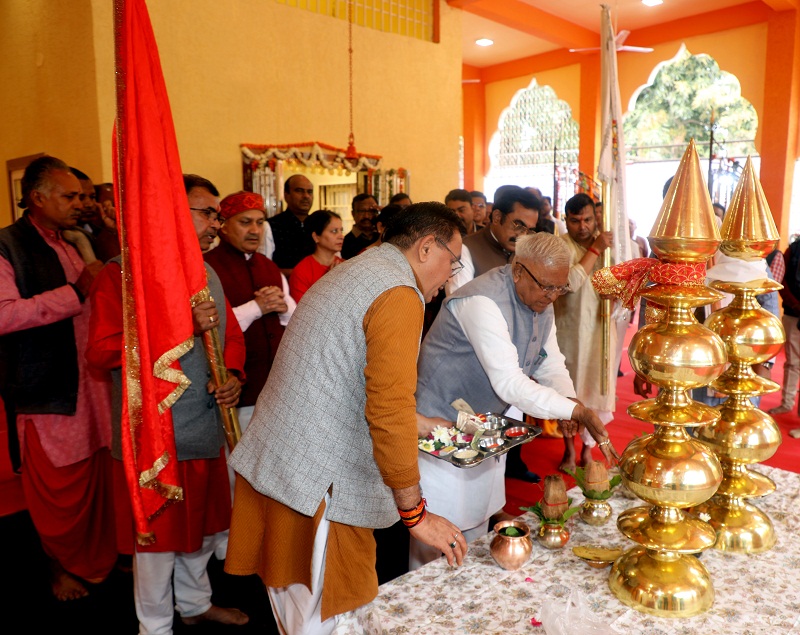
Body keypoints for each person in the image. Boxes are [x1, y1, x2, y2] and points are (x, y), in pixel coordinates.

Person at [225, 202, 468, 634]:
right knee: (324, 621)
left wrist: (425, 424)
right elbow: (387, 409)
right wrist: (417, 516)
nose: (451, 274)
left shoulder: (362, 267)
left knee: (297, 614)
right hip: (317, 483)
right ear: (427, 248)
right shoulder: (400, 293)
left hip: (281, 463)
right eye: (454, 260)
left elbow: (345, 377)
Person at [86, 174, 250, 633]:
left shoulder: (208, 271)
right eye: (207, 212)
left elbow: (229, 337)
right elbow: (100, 350)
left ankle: (195, 603)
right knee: (157, 542)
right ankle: (154, 626)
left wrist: (233, 377)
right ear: (172, 214)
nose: (216, 223)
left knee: (204, 530)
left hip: (203, 427)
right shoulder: (119, 274)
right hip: (154, 437)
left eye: (218, 213)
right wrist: (178, 325)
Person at [411, 232, 618, 569]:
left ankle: (465, 610)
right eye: (546, 287)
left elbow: (549, 362)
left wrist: (568, 396)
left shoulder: (539, 299)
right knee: (438, 541)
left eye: (560, 288)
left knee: (478, 528)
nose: (552, 297)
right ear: (519, 271)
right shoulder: (483, 301)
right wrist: (574, 409)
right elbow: (509, 382)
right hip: (438, 425)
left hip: (483, 428)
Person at [0, 155, 116, 601]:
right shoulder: (6, 245)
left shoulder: (73, 240)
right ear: (37, 198)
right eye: (70, 196)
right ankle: (57, 569)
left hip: (91, 383)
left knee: (97, 478)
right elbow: (4, 314)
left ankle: (101, 555)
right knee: (57, 489)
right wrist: (75, 291)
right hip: (46, 387)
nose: (79, 204)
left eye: (82, 195)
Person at [204, 190, 294, 439]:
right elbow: (212, 326)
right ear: (223, 226)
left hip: (274, 389)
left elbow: (292, 321)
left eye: (260, 222)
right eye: (245, 222)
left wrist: (283, 308)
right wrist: (257, 308)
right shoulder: (208, 268)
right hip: (235, 390)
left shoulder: (268, 266)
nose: (255, 230)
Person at [553, 193, 615, 472]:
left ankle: (588, 450)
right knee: (570, 392)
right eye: (575, 221)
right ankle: (568, 449)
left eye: (588, 219)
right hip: (570, 331)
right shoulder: (560, 246)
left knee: (596, 389)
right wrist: (594, 250)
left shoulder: (610, 245)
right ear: (566, 220)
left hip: (601, 330)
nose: (583, 226)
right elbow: (570, 283)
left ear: (595, 218)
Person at [447, 185, 541, 294]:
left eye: (529, 230)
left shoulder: (528, 252)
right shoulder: (465, 249)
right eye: (519, 226)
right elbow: (457, 302)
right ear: (497, 217)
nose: (522, 236)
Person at [770, 237, 800, 417]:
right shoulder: (793, 249)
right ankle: (787, 403)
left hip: (793, 310)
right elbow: (781, 281)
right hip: (792, 313)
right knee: (792, 363)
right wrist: (795, 305)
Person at [289, 209, 345, 302]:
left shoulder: (345, 265)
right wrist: (330, 282)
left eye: (341, 230)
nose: (341, 236)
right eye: (334, 231)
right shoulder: (302, 271)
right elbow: (302, 312)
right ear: (316, 237)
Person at [268, 174, 316, 276]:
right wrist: (299, 274)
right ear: (286, 195)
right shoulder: (271, 226)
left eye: (309, 192)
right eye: (299, 190)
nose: (306, 196)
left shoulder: (319, 224)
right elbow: (264, 267)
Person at [341, 193, 380, 259]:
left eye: (371, 211)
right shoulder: (345, 243)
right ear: (353, 214)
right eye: (362, 211)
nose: (366, 216)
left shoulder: (381, 238)